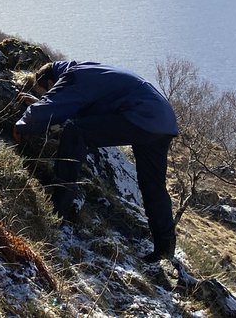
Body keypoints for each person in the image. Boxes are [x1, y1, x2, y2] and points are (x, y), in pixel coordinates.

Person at [13, 60, 179, 263]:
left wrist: (22, 125)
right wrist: (42, 103)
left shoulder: (72, 75)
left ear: (51, 81)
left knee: (76, 132)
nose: (48, 93)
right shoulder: (88, 69)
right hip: (161, 120)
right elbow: (67, 102)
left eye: (46, 90)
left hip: (141, 116)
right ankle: (165, 249)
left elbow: (56, 104)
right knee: (153, 186)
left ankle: (59, 206)